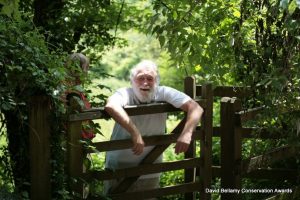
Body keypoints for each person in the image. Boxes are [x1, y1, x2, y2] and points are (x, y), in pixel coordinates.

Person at [104, 60, 204, 197]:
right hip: (119, 168)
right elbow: (111, 106)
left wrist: (186, 134)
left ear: (156, 81)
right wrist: (135, 133)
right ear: (132, 81)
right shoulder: (125, 93)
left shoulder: (163, 92)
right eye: (140, 78)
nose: (145, 83)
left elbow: (195, 108)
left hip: (150, 169)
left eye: (150, 79)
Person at [63, 53, 95, 139]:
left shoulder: (73, 86)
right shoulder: (70, 90)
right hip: (73, 140)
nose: (87, 72)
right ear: (79, 70)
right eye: (86, 68)